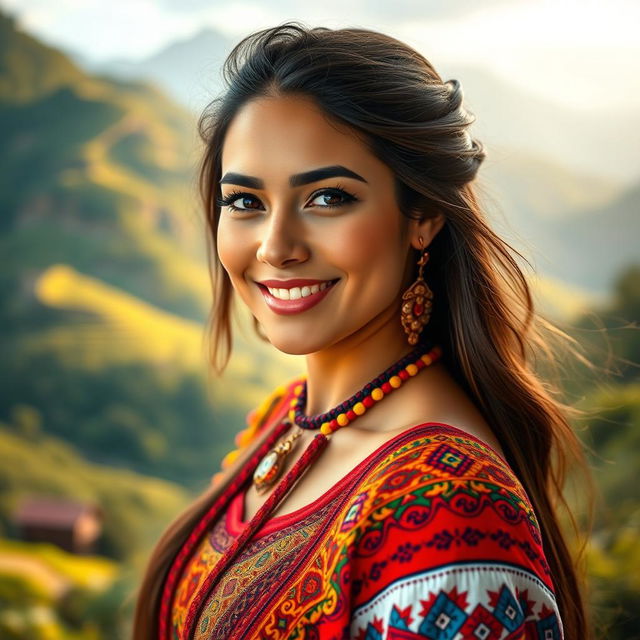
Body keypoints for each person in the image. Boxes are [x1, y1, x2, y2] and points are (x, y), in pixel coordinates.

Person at [132, 23, 593, 639]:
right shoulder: (289, 420)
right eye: (245, 202)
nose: (276, 247)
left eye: (326, 197)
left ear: (422, 214)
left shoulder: (447, 509)